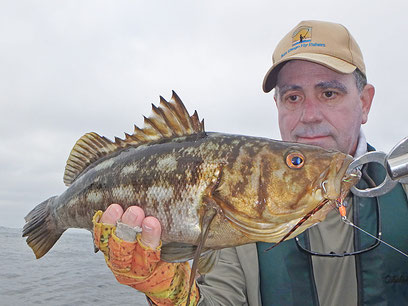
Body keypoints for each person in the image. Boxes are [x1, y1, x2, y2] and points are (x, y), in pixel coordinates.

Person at [92, 20, 408, 305]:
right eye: (293, 97)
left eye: (328, 93)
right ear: (277, 104)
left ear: (364, 102)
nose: (309, 115)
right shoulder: (241, 213)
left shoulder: (403, 189)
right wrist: (168, 293)